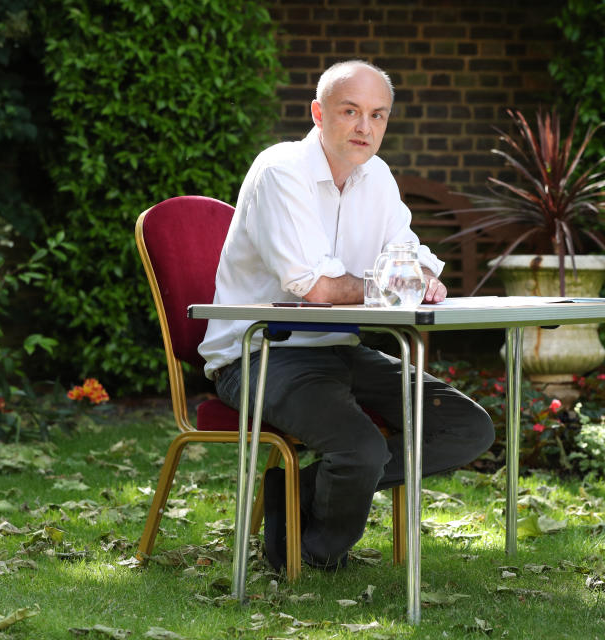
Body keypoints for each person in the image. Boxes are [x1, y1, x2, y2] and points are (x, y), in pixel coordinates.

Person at [198, 60, 495, 571]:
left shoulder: (375, 176)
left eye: (378, 115)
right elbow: (316, 288)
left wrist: (419, 277)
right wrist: (396, 285)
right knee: (361, 450)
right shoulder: (279, 172)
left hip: (340, 348)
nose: (365, 127)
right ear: (318, 113)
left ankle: (298, 492)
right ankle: (311, 555)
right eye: (350, 111)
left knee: (467, 428)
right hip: (261, 353)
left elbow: (412, 254)